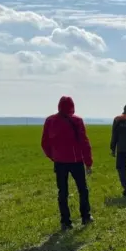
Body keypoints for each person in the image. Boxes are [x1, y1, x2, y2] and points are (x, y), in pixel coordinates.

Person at [41, 96, 94, 231]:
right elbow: (84, 142)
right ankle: (86, 216)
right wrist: (88, 162)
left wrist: (53, 157)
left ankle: (65, 222)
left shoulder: (50, 120)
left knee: (62, 192)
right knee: (83, 189)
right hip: (76, 161)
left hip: (59, 162)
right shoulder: (77, 120)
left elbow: (45, 143)